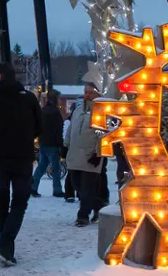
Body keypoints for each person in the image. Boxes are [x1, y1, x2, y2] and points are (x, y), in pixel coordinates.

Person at [0, 63, 43, 267]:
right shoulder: (29, 99)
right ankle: (5, 246)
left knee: (1, 200)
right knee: (20, 202)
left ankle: (4, 245)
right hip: (22, 157)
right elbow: (39, 127)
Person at [64, 83, 105, 227]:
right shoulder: (78, 109)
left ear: (98, 94)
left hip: (90, 156)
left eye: (91, 92)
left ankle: (83, 216)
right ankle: (99, 205)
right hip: (75, 154)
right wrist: (66, 144)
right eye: (85, 92)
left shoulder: (101, 111)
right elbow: (71, 129)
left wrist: (98, 153)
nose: (87, 95)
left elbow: (103, 135)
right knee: (76, 186)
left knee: (87, 189)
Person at [31, 89, 65, 198]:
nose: (60, 101)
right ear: (56, 99)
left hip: (43, 143)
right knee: (56, 168)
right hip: (53, 144)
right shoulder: (55, 112)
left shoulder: (43, 110)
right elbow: (57, 130)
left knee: (41, 166)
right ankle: (57, 190)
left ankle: (32, 187)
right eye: (59, 98)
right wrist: (60, 144)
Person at [63, 101, 78, 203]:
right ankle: (70, 194)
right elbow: (66, 137)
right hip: (72, 148)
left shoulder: (69, 122)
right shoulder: (68, 122)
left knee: (75, 172)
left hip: (76, 148)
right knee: (72, 172)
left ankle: (72, 194)